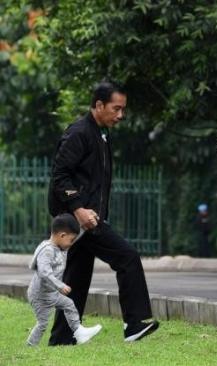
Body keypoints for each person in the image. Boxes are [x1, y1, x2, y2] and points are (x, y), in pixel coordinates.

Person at [48, 81, 159, 345]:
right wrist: (78, 210)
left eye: (123, 109)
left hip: (88, 218)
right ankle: (134, 324)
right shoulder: (79, 133)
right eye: (116, 109)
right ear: (99, 105)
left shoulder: (100, 132)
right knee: (127, 257)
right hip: (78, 220)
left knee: (76, 276)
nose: (121, 115)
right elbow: (59, 176)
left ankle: (62, 338)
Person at [26, 214, 102, 346]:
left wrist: (85, 225)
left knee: (69, 304)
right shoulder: (47, 251)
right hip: (39, 296)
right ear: (62, 236)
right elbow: (44, 272)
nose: (72, 243)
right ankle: (30, 346)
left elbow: (74, 236)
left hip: (51, 293)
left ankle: (79, 333)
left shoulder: (61, 246)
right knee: (43, 323)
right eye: (71, 240)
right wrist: (60, 285)